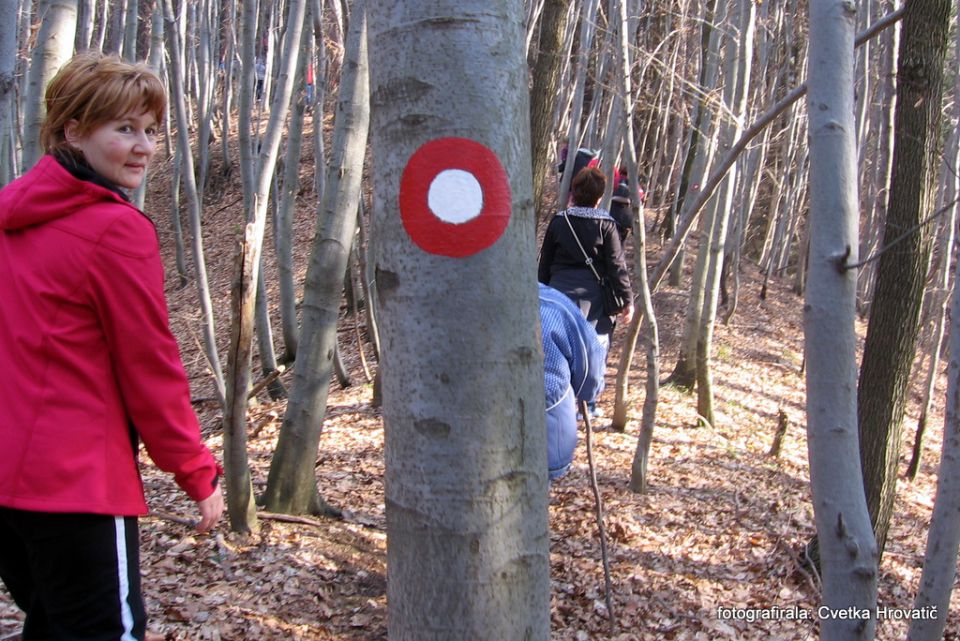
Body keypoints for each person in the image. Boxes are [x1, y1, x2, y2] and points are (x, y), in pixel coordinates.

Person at [0, 51, 224, 640]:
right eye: (124, 128)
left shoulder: (10, 215)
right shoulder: (114, 230)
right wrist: (196, 472)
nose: (144, 147)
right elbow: (150, 368)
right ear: (73, 130)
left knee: (50, 624)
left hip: (9, 490)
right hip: (76, 486)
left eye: (150, 130)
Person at [538, 167, 635, 417]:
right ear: (599, 197)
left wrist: (540, 293)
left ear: (574, 192)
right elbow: (617, 266)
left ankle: (559, 400)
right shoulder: (607, 225)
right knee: (594, 346)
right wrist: (627, 300)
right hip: (594, 301)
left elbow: (545, 262)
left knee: (557, 348)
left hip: (557, 295)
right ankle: (586, 404)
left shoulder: (560, 221)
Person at [539, 283, 606, 480]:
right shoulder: (554, 304)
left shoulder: (449, 299)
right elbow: (589, 368)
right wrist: (588, 393)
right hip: (547, 436)